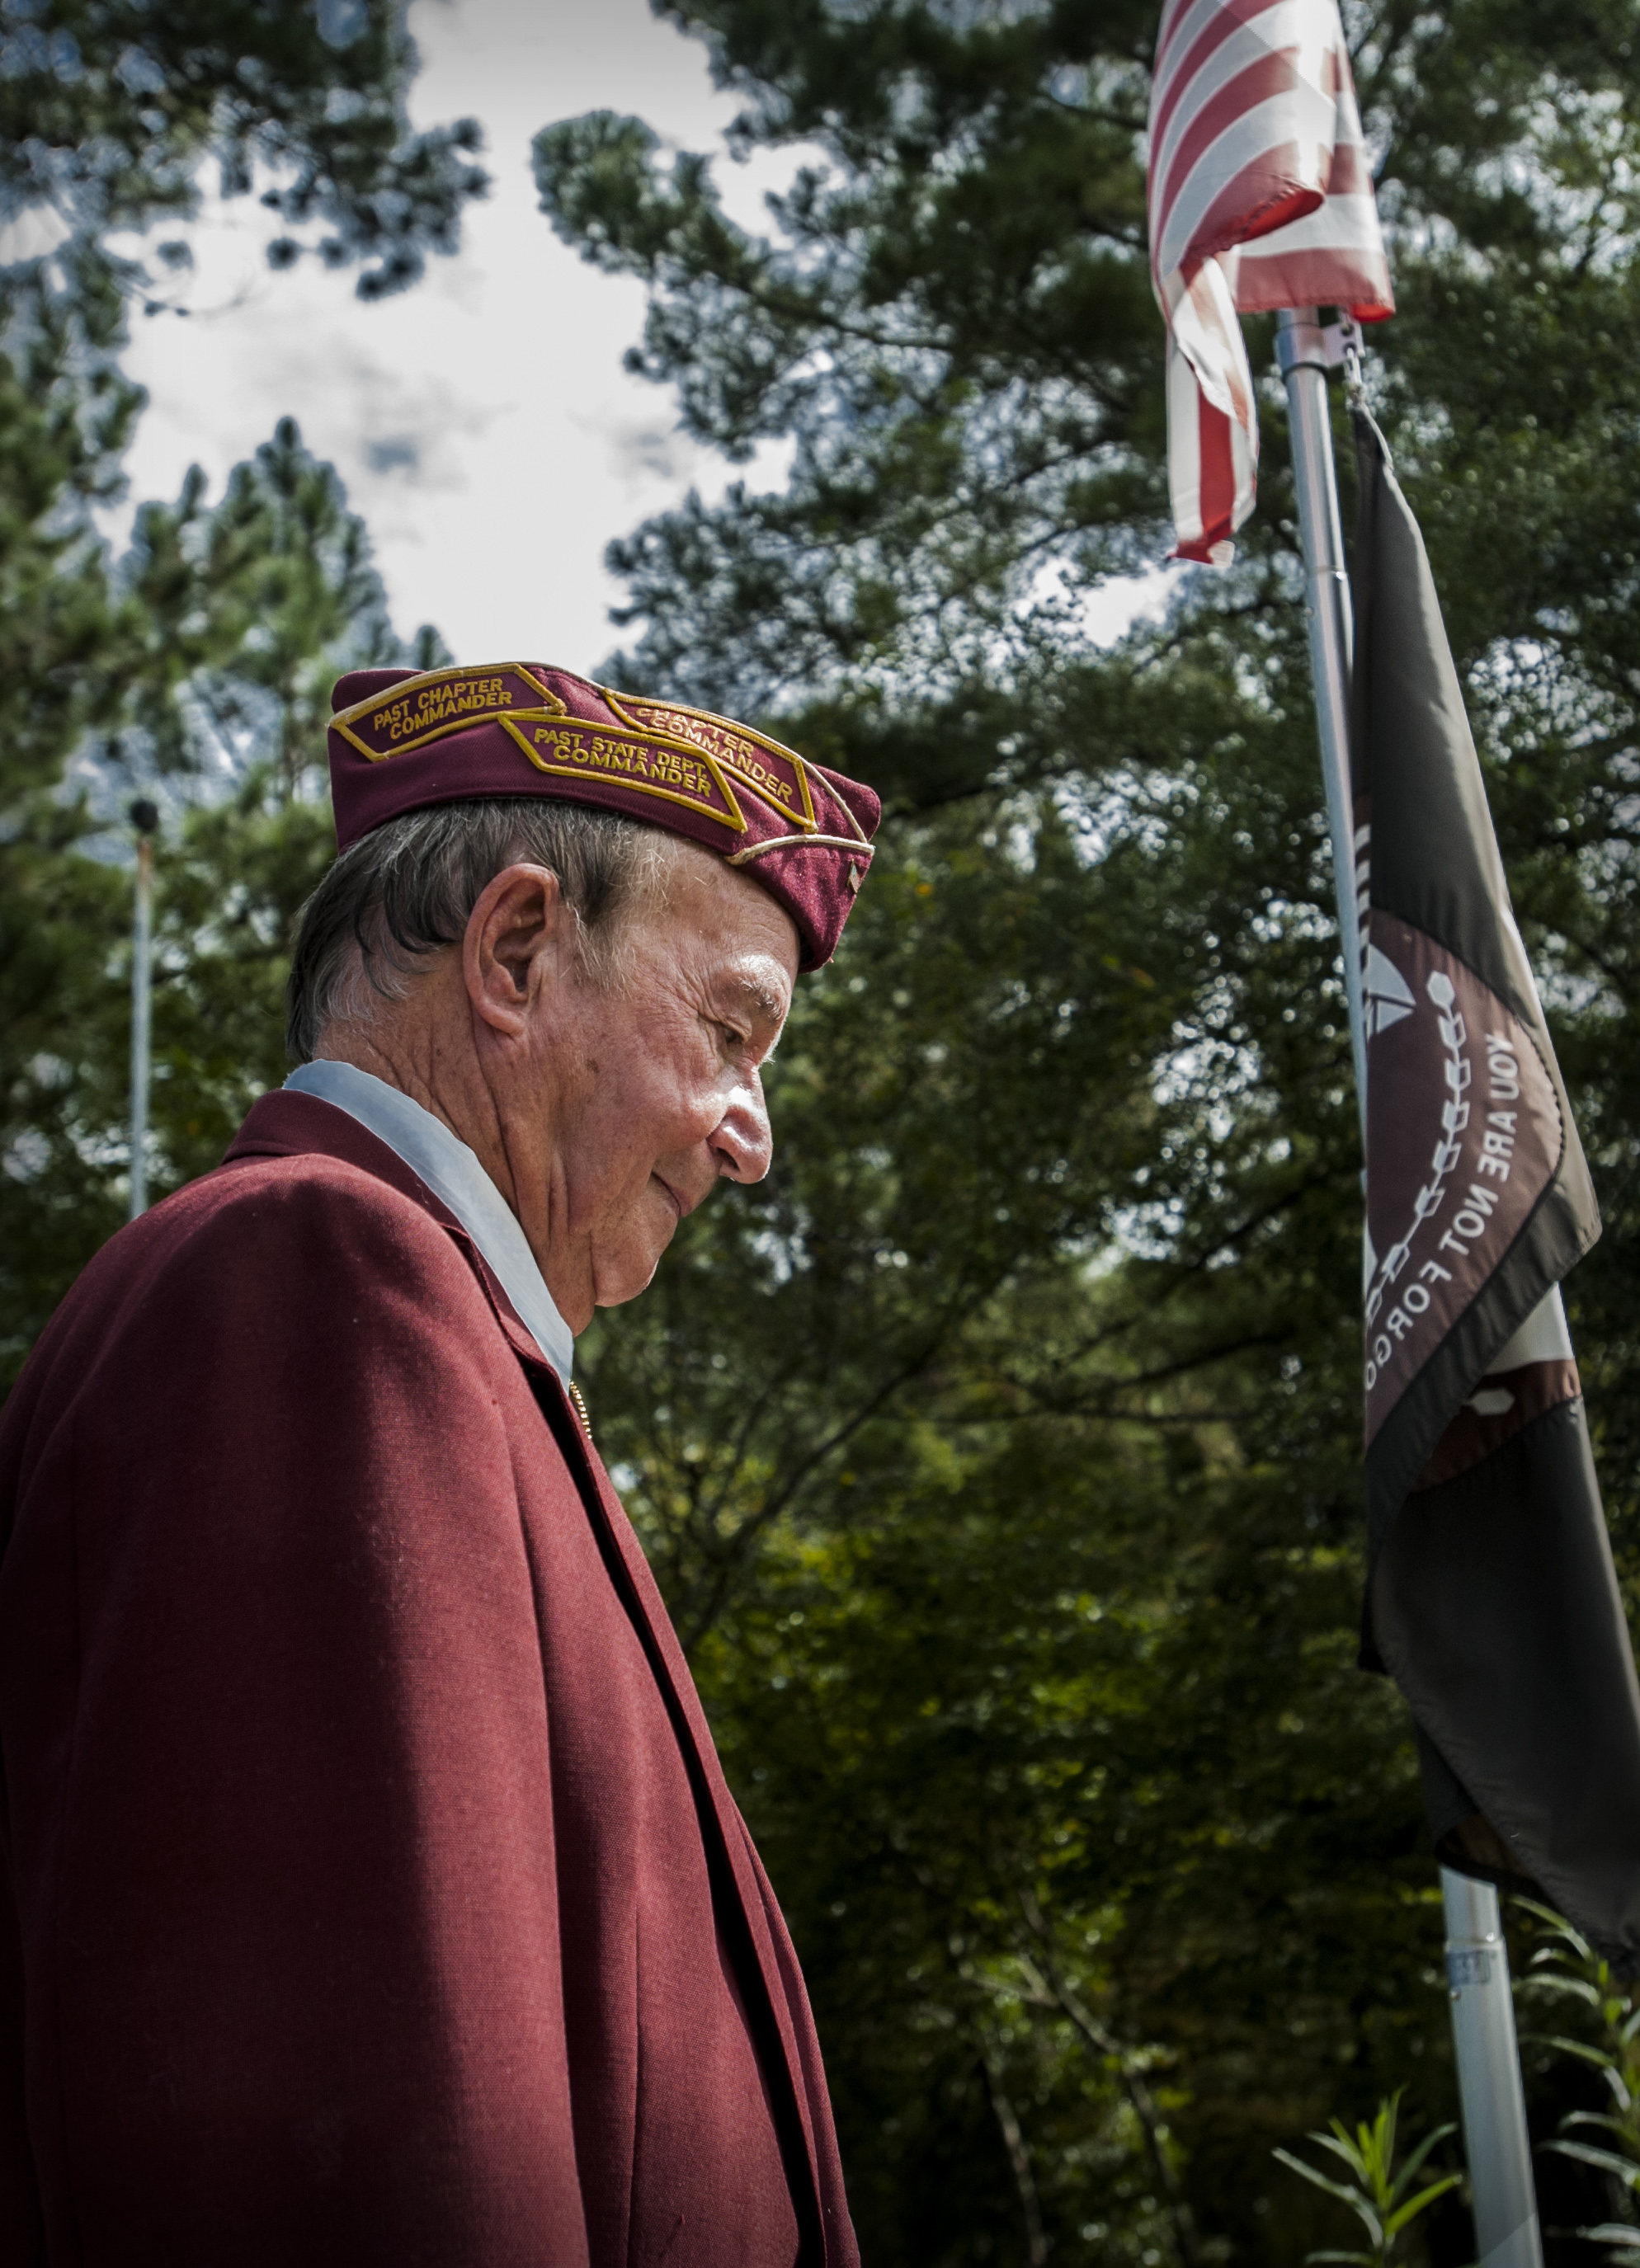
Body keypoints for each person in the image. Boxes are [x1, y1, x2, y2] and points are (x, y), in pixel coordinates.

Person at [0, 662, 880, 2266]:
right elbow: (352, 2159)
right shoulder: (319, 1277)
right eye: (733, 1029)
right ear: (519, 949)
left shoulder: (443, 1335)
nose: (752, 1132)